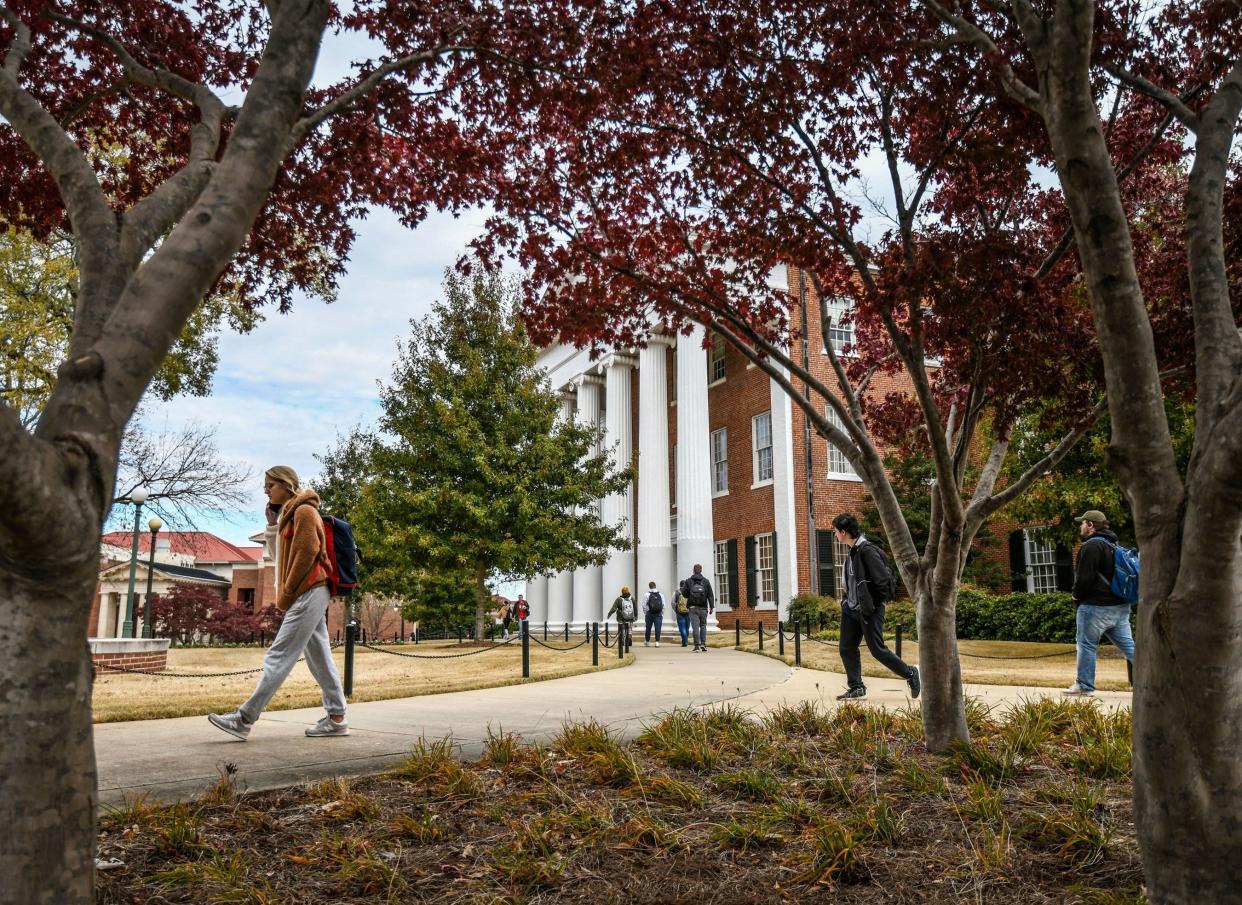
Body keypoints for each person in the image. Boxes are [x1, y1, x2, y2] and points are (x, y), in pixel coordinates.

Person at [208, 466, 348, 740]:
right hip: (306, 592)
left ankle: (244, 718)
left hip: (308, 591)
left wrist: (287, 592)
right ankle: (336, 717)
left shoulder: (306, 511)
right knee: (318, 656)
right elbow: (278, 556)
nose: (265, 490)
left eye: (270, 485)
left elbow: (308, 552)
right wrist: (272, 525)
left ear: (287, 485)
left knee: (278, 655)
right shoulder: (288, 515)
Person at [831, 513, 920, 701]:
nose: (835, 535)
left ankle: (911, 673)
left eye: (836, 532)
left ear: (844, 532)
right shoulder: (852, 551)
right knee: (846, 648)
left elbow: (883, 582)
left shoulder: (867, 550)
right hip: (851, 609)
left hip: (868, 609)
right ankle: (857, 687)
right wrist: (847, 602)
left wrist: (873, 603)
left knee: (877, 649)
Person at [1063, 509, 1136, 697]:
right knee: (1130, 647)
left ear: (1090, 525)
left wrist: (1075, 595)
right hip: (1120, 606)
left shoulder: (1092, 546)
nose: (1080, 526)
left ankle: (1084, 686)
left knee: (1086, 644)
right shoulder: (1114, 544)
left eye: (1082, 523)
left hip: (1095, 606)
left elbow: (1085, 578)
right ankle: (1161, 680)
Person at [681, 564, 715, 652]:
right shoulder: (706, 581)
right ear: (701, 570)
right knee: (703, 625)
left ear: (693, 570)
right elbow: (710, 595)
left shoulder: (688, 581)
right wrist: (711, 607)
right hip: (703, 607)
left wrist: (690, 594)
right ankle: (703, 644)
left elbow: (684, 594)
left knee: (695, 627)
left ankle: (697, 646)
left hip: (692, 607)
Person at [607, 585, 638, 651]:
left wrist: (609, 614)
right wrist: (636, 616)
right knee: (629, 629)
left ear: (622, 592)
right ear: (628, 591)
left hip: (621, 618)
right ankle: (629, 640)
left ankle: (622, 641)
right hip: (630, 617)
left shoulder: (619, 599)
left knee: (622, 629)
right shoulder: (632, 599)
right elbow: (635, 608)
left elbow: (614, 608)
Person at [642, 581, 665, 647]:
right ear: (655, 586)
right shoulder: (660, 594)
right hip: (658, 613)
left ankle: (647, 641)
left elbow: (644, 605)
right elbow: (663, 605)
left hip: (649, 613)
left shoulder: (646, 594)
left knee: (648, 628)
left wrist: (646, 612)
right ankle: (657, 641)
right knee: (658, 627)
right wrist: (662, 613)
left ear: (649, 586)